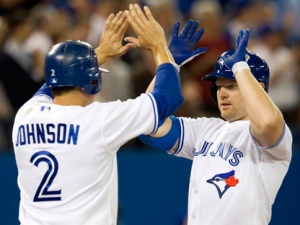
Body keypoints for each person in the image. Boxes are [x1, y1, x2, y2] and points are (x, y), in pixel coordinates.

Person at [11, 4, 205, 225]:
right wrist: (160, 47)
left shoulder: (26, 115)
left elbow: (50, 86)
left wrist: (98, 55)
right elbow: (168, 96)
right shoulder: (99, 120)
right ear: (93, 82)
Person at [139, 29, 293, 225]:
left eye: (232, 86)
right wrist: (168, 65)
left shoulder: (272, 136)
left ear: (258, 88)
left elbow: (267, 123)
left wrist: (240, 68)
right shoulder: (207, 128)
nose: (222, 93)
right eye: (219, 86)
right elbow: (146, 122)